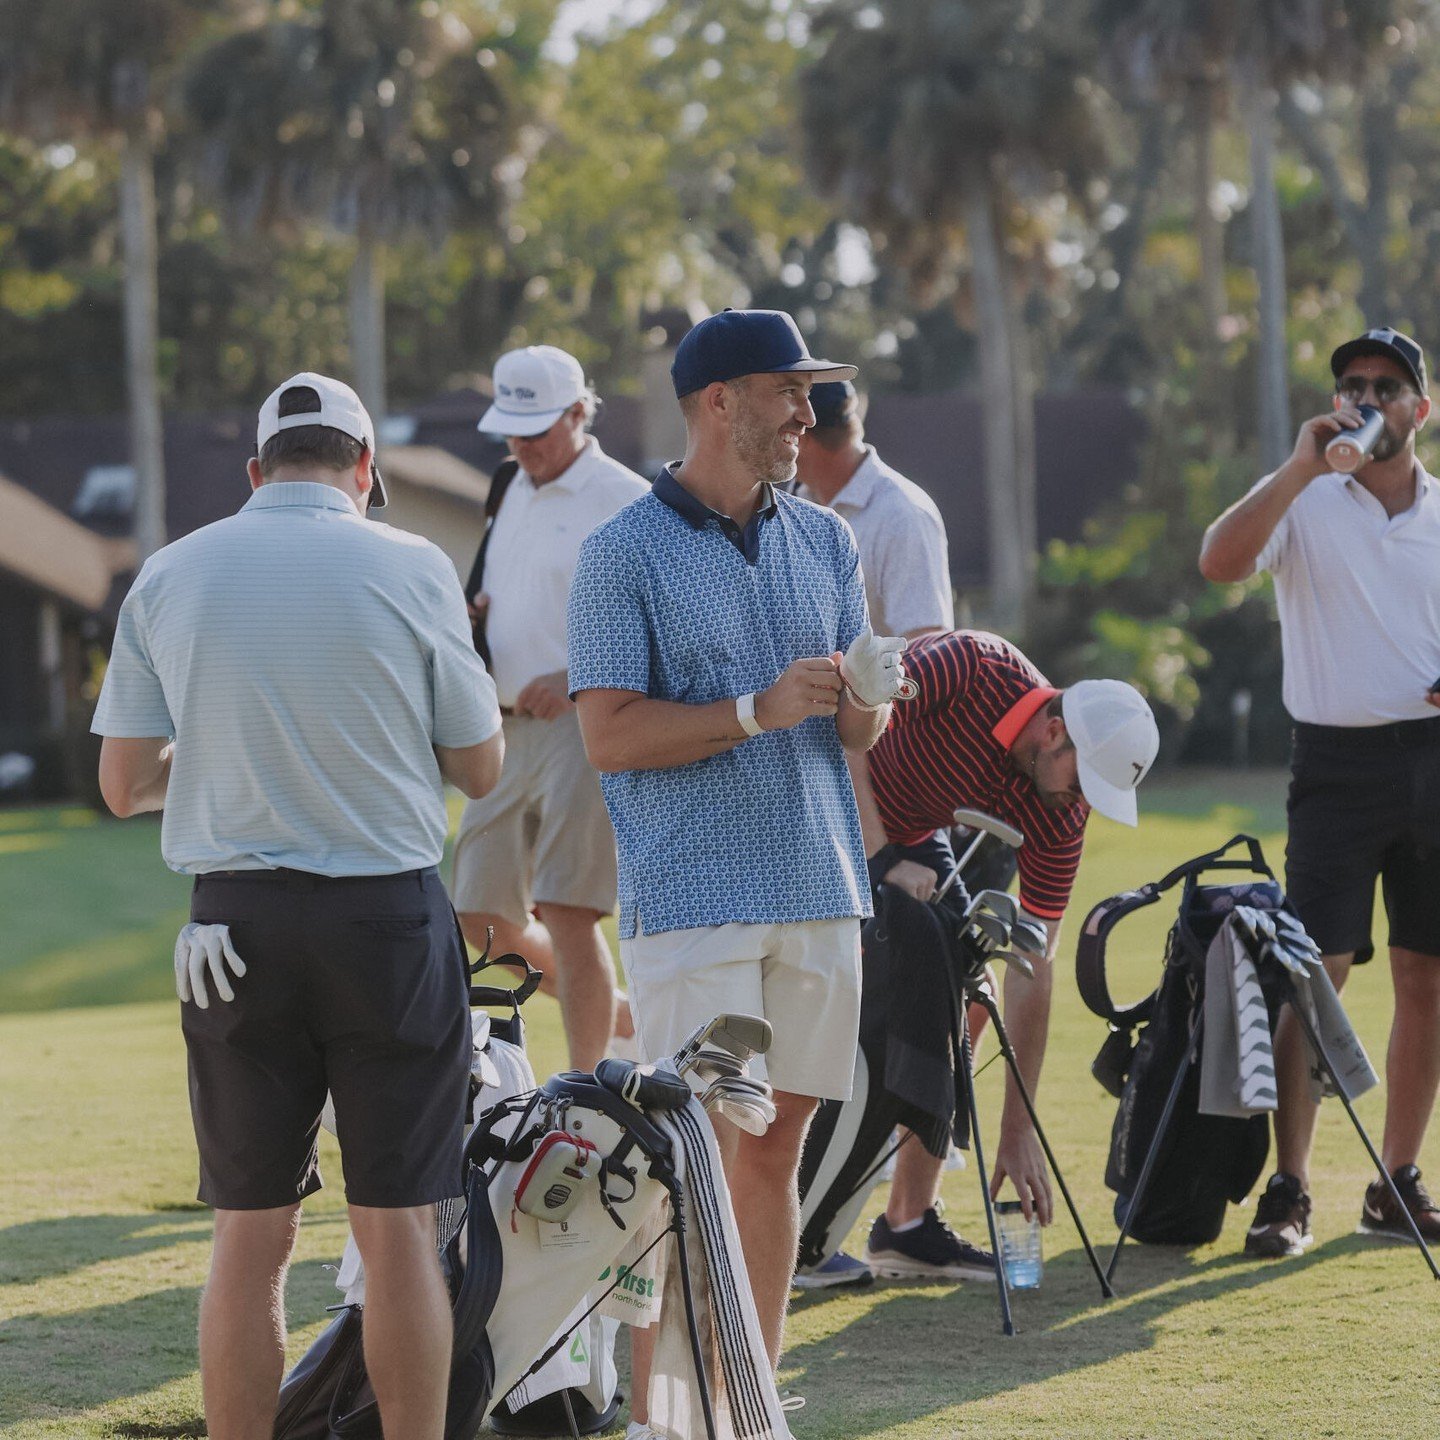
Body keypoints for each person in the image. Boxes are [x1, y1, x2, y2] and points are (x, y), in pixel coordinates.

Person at [92, 373, 504, 1440]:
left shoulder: (172, 573)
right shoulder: (415, 565)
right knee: (401, 1227)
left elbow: (123, 783)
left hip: (232, 929)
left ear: (254, 472)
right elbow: (482, 766)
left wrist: (227, 750)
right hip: (388, 925)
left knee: (248, 1232)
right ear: (366, 470)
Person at [566, 309, 906, 1435]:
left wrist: (863, 701)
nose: (808, 413)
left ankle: (748, 1407)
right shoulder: (619, 553)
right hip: (696, 898)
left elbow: (856, 737)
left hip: (820, 885)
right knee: (695, 1161)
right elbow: (608, 736)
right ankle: (674, 1416)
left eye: (811, 394)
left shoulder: (828, 541)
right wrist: (753, 711)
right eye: (787, 391)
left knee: (778, 1151)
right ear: (721, 402)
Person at [1199, 326, 1440, 1257]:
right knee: (1314, 977)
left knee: (1426, 977)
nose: (1367, 396)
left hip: (1433, 761)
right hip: (1336, 768)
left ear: (1421, 408)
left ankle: (1397, 1181)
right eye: (1352, 383)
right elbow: (1220, 562)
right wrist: (1301, 465)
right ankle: (1290, 1185)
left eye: (1387, 385)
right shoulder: (1305, 501)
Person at [847, 629, 1160, 1272]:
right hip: (822, 806)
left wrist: (1019, 1129)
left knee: (965, 978)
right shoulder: (972, 665)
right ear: (1053, 731)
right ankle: (787, 1225)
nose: (1083, 802)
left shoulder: (1061, 809)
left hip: (906, 835)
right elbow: (845, 723)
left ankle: (905, 1224)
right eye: (1085, 780)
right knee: (840, 1010)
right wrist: (879, 861)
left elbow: (1033, 960)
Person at [791, 378, 963, 1289]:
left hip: (892, 803)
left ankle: (904, 1213)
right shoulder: (791, 503)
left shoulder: (899, 516)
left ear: (813, 435)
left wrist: (889, 842)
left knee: (915, 1002)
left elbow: (926, 674)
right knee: (837, 1018)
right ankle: (816, 1225)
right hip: (814, 792)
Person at [453, 345, 648, 1071]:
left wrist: (576, 676)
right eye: (511, 428)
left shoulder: (628, 500)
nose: (521, 444)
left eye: (536, 428)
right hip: (503, 727)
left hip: (583, 725)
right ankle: (619, 1014)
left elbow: (660, 628)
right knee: (477, 914)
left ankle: (585, 1084)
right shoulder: (509, 484)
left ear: (578, 411)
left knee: (568, 910)